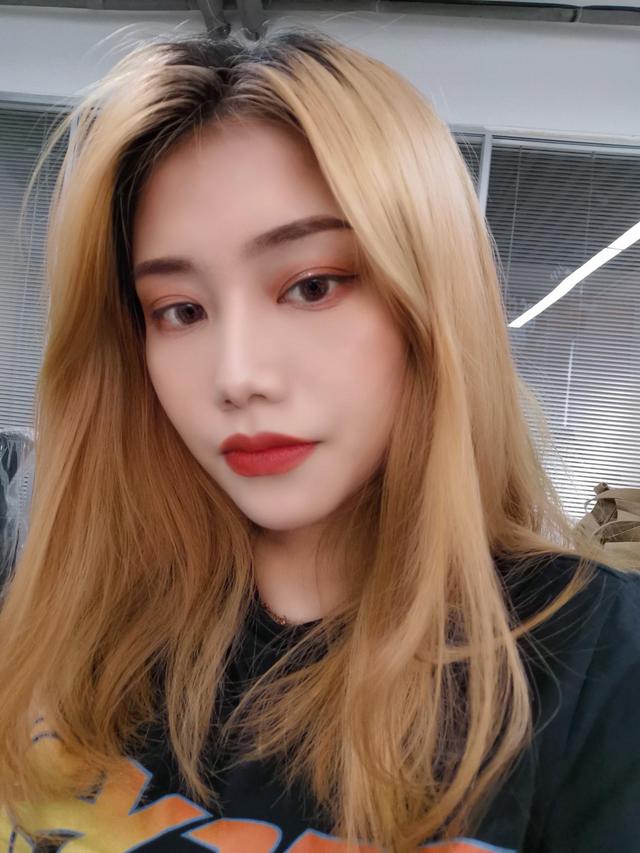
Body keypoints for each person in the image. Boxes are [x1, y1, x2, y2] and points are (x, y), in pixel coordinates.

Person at [0, 25, 638, 853]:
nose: (237, 376)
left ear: (429, 302)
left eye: (311, 286)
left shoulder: (593, 663)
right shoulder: (76, 626)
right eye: (180, 310)